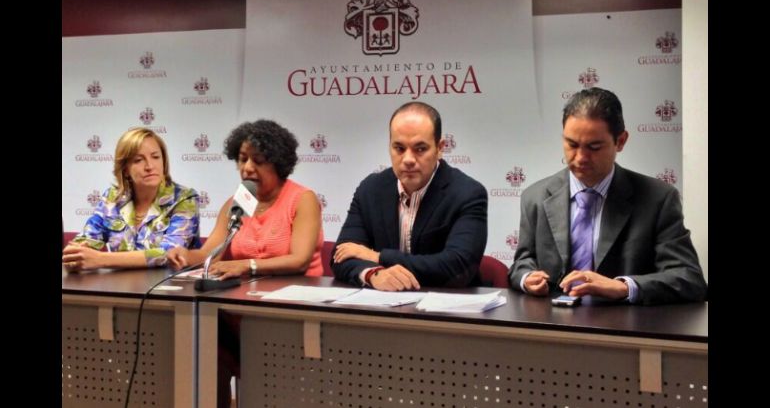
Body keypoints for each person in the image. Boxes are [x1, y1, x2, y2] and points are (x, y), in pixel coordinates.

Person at [166, 119, 323, 408]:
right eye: (242, 159)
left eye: (258, 160)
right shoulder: (237, 203)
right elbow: (211, 252)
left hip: (289, 316)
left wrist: (246, 266)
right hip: (239, 314)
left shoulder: (302, 199)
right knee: (206, 350)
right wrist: (185, 255)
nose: (247, 168)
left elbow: (300, 260)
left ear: (278, 163)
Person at [508, 87, 707, 305]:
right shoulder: (535, 197)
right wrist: (527, 278)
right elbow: (521, 263)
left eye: (594, 147)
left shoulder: (658, 199)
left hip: (625, 323)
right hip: (553, 321)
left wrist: (624, 287)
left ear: (620, 141)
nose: (581, 157)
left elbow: (689, 279)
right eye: (572, 145)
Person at [332, 101, 488, 291]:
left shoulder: (467, 193)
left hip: (448, 304)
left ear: (440, 148)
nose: (408, 159)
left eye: (420, 149)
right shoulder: (371, 189)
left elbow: (457, 267)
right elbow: (341, 256)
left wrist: (378, 257)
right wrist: (373, 274)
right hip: (383, 303)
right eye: (399, 148)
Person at [62, 127, 200, 271]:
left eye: (155, 157)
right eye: (138, 160)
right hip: (119, 283)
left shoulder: (185, 199)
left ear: (164, 162)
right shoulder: (112, 198)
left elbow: (170, 254)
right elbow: (86, 240)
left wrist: (100, 259)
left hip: (169, 283)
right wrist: (76, 255)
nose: (149, 166)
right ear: (125, 169)